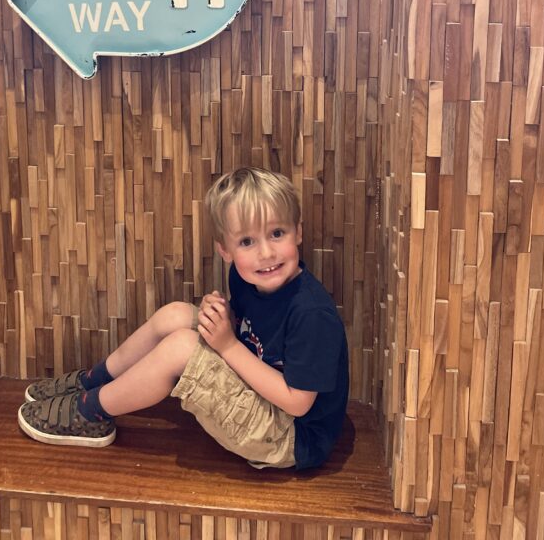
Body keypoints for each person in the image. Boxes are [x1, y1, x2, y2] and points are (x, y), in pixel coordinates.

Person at [18, 167, 349, 469]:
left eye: (277, 233)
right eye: (247, 241)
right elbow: (255, 334)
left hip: (289, 437)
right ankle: (94, 381)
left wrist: (228, 345)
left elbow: (298, 403)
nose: (266, 253)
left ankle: (90, 412)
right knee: (174, 314)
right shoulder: (247, 276)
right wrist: (221, 316)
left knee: (182, 348)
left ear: (298, 232)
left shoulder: (311, 314)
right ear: (226, 251)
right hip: (261, 398)